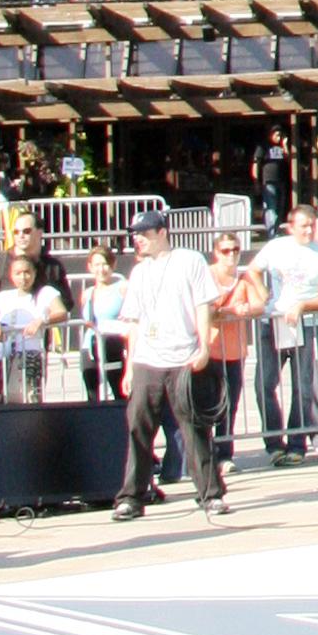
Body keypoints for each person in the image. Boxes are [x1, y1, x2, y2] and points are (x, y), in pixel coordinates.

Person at [112, 212, 224, 521]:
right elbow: (133, 321)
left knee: (193, 427)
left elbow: (204, 305)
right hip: (148, 358)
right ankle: (132, 497)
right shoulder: (138, 272)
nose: (138, 238)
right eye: (135, 233)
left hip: (183, 356)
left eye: (144, 233)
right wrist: (130, 367)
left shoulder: (189, 261)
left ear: (162, 232)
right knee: (138, 427)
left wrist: (204, 347)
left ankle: (210, 493)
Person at [254, 206, 318, 459]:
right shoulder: (276, 247)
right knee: (264, 384)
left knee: (303, 388)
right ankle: (273, 443)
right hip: (274, 321)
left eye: (312, 225)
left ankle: (296, 443)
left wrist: (303, 305)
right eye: (303, 225)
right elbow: (252, 271)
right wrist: (262, 294)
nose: (309, 230)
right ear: (290, 226)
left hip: (306, 323)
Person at [202, 230, 264, 473]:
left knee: (230, 405)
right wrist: (226, 311)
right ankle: (204, 454)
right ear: (216, 253)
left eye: (236, 250)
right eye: (226, 251)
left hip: (235, 352)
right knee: (207, 405)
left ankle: (224, 454)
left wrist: (246, 308)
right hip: (209, 349)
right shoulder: (207, 277)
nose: (231, 255)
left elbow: (259, 305)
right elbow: (203, 307)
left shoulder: (243, 280)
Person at [0, 247, 64, 400]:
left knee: (30, 398)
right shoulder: (1, 297)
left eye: (27, 272)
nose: (23, 277)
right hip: (3, 357)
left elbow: (61, 312)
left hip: (31, 355)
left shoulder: (45, 292)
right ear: (11, 276)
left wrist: (42, 320)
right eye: (18, 273)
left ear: (34, 273)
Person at [77, 243, 131, 403]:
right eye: (97, 265)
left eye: (105, 264)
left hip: (113, 345)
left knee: (120, 393)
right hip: (90, 346)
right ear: (90, 267)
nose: (101, 269)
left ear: (113, 264)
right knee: (92, 395)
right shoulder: (87, 293)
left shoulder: (122, 287)